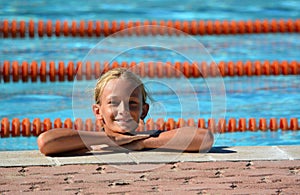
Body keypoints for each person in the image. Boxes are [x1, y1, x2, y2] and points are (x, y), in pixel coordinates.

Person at [37, 68, 214, 156]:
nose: (124, 111)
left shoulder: (152, 138)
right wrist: (112, 140)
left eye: (133, 103)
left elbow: (204, 138)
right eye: (113, 102)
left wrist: (143, 143)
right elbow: (47, 142)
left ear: (144, 111)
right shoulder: (85, 140)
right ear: (98, 111)